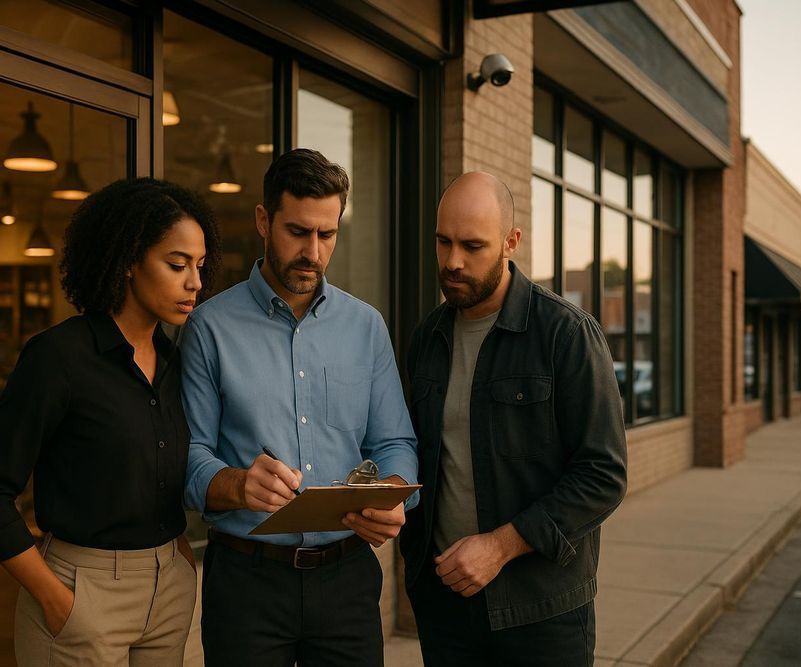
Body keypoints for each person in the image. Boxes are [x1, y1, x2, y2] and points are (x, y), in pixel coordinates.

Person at [0, 178, 221, 666]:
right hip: (81, 590)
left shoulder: (175, 364)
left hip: (169, 588)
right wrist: (55, 597)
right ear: (127, 261)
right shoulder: (59, 357)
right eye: (176, 264)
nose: (194, 283)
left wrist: (180, 555)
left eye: (200, 267)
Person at [182, 148, 418, 666]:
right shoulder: (208, 328)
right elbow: (190, 455)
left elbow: (394, 442)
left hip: (348, 579)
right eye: (297, 232)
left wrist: (395, 497)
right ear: (264, 221)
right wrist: (238, 484)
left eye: (327, 234)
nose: (313, 251)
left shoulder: (367, 327)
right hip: (247, 583)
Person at [401, 172, 628, 666]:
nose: (453, 261)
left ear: (511, 241)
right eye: (443, 242)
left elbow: (603, 475)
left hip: (541, 613)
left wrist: (500, 546)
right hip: (446, 607)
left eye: (472, 245)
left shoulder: (565, 335)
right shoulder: (427, 340)